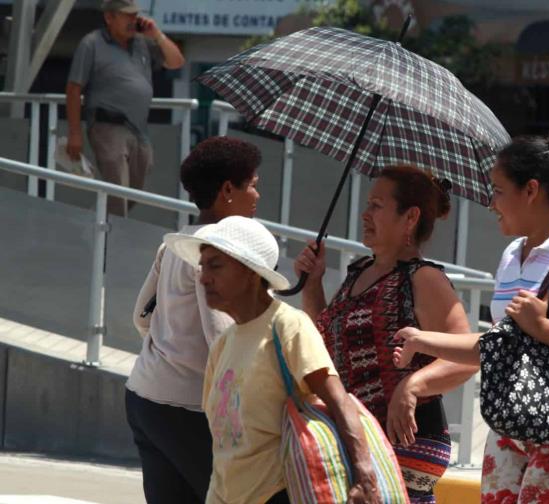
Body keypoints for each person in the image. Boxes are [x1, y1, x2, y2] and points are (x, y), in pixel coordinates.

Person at [391, 125, 549, 502]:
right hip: (514, 424)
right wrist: (423, 340)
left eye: (497, 191)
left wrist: (542, 326)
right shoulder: (512, 256)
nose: (491, 203)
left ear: (531, 190)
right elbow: (501, 346)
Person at [165, 216, 381, 504]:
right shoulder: (223, 345)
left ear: (252, 273)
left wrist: (364, 475)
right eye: (203, 266)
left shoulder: (288, 326)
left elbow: (338, 400)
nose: (203, 277)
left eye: (216, 265)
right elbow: (222, 442)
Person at [293, 165, 476, 503]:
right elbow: (324, 344)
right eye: (368, 204)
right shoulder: (359, 272)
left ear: (410, 218)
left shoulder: (423, 279)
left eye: (377, 205)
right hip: (360, 432)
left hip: (405, 436)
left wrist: (412, 385)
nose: (365, 214)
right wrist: (313, 283)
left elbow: (468, 356)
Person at [128, 136, 261, 503]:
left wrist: (171, 348)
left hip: (144, 397)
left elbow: (141, 316)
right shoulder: (218, 253)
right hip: (187, 412)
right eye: (252, 186)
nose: (256, 196)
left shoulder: (174, 242)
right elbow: (223, 339)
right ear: (228, 190)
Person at [66, 0, 185, 216]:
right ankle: (112, 243)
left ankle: (97, 224)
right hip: (107, 124)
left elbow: (177, 62)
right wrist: (75, 133)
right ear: (109, 17)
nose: (133, 20)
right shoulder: (91, 43)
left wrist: (157, 34)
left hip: (138, 129)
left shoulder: (142, 44)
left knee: (134, 190)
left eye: (135, 15)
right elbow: (74, 89)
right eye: (127, 15)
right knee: (117, 187)